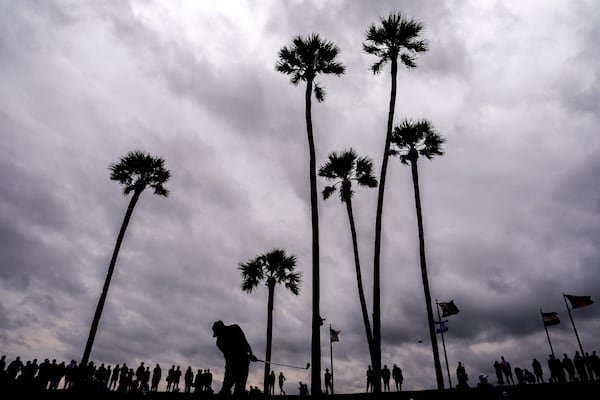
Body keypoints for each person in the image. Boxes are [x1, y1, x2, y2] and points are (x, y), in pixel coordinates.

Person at [212, 320, 258, 396]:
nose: (218, 336)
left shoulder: (235, 329)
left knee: (238, 390)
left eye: (218, 333)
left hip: (241, 365)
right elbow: (232, 353)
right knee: (226, 389)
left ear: (221, 329)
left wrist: (251, 354)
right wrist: (249, 355)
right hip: (232, 366)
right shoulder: (219, 342)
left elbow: (245, 343)